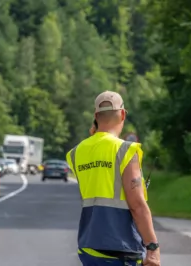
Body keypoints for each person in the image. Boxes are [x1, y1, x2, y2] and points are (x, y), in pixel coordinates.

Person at [66, 91, 161, 266]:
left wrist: (95, 136)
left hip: (89, 246)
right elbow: (137, 205)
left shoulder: (76, 153)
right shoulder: (125, 150)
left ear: (96, 116)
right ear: (123, 114)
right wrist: (153, 247)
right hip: (121, 248)